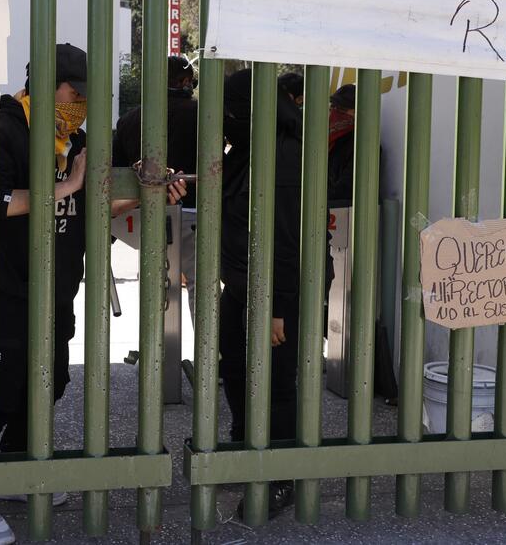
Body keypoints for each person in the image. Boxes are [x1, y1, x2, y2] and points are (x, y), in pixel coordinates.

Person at [0, 43, 186, 544]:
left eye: (85, 96)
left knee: (48, 382)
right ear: (46, 82)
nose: (78, 103)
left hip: (57, 287)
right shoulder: (5, 126)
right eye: (72, 91)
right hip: (7, 290)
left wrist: (153, 188)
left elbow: (97, 204)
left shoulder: (74, 138)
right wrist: (67, 185)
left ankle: (13, 474)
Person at [218, 67, 331, 521]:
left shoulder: (283, 155)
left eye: (230, 108)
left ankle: (279, 479)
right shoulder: (248, 150)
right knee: (238, 370)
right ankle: (250, 451)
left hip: (279, 293)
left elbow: (286, 243)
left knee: (278, 386)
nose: (224, 116)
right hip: (246, 286)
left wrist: (277, 311)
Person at [113, 55, 200, 316]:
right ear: (186, 82)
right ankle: (207, 354)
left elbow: (117, 174)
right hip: (193, 212)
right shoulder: (202, 115)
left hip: (143, 215)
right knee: (200, 285)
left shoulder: (129, 119)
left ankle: (155, 351)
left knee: (157, 284)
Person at [326, 83, 356, 203]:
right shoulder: (327, 139)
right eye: (333, 106)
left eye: (342, 110)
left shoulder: (361, 147)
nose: (335, 112)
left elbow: (345, 188)